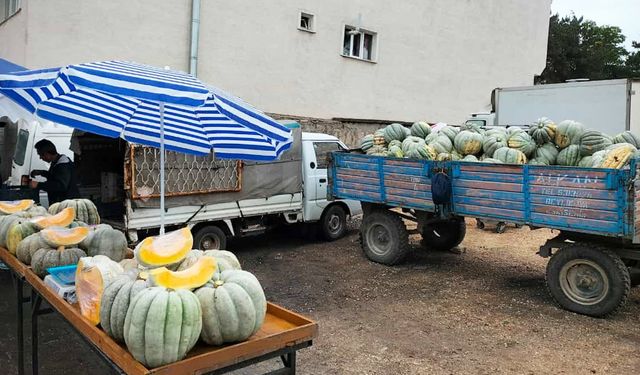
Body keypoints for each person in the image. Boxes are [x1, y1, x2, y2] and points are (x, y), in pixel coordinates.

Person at [29, 139, 80, 204]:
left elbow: (60, 186)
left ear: (47, 153)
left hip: (66, 203)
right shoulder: (56, 162)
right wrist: (41, 172)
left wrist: (39, 185)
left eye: (41, 155)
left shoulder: (63, 165)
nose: (40, 158)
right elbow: (54, 177)